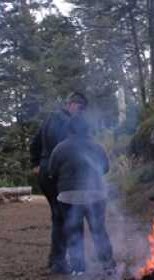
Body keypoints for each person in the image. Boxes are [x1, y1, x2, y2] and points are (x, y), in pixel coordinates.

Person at [47, 115, 115, 275]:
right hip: (95, 194)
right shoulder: (97, 147)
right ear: (87, 129)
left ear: (69, 130)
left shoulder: (60, 148)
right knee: (98, 230)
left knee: (74, 232)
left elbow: (52, 172)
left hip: (68, 196)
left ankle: (78, 269)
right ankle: (108, 266)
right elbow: (105, 168)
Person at [29, 92, 87, 274]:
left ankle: (56, 259)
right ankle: (62, 263)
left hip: (46, 171)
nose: (82, 113)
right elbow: (69, 148)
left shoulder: (50, 118)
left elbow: (34, 143)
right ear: (70, 104)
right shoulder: (66, 122)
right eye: (81, 108)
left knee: (58, 215)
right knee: (67, 216)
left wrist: (36, 163)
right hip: (57, 173)